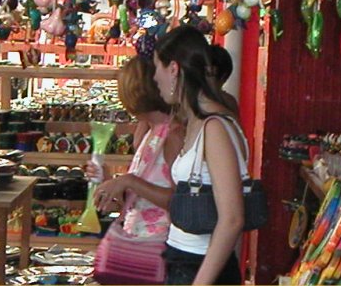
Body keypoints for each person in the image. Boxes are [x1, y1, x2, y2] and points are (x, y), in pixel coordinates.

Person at [154, 26, 246, 285]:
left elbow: (232, 218)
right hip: (188, 261)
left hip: (200, 266)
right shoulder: (201, 122)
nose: (155, 77)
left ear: (174, 69)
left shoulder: (214, 127)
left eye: (157, 67)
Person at [90, 56, 184, 237]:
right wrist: (109, 182)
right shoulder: (152, 132)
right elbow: (138, 199)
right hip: (141, 238)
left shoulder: (173, 135)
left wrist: (128, 181)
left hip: (158, 240)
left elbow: (179, 200)